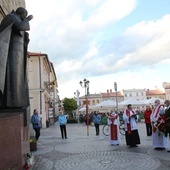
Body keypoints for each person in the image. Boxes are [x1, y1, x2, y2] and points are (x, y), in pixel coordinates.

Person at [0, 7, 33, 108]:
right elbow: (20, 27)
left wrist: (26, 39)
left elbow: (22, 31)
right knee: (12, 78)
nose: (25, 17)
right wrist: (27, 20)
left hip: (19, 53)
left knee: (18, 80)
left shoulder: (17, 19)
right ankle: (10, 103)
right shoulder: (11, 17)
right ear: (22, 13)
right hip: (11, 53)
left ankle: (17, 102)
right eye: (25, 15)